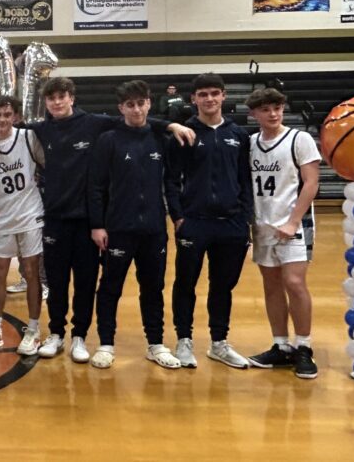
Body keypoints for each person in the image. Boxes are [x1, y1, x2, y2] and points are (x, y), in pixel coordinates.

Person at [26, 77, 194, 363]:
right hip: (78, 221)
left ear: (71, 98)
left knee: (126, 286)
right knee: (70, 283)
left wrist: (170, 124)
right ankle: (76, 338)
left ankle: (136, 342)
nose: (136, 109)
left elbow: (144, 128)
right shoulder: (46, 129)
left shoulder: (101, 125)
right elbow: (6, 129)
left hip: (135, 227)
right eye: (51, 98)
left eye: (62, 96)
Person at [88, 81, 180, 370]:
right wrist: (98, 225)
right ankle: (106, 344)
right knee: (110, 288)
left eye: (141, 103)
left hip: (154, 229)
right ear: (121, 108)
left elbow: (171, 182)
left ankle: (155, 344)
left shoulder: (160, 139)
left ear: (149, 103)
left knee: (153, 288)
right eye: (130, 104)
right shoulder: (109, 140)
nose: (137, 109)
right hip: (118, 228)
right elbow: (96, 186)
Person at [166, 73, 253, 369]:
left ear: (224, 96)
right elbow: (170, 180)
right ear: (194, 99)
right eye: (203, 94)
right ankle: (184, 340)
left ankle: (219, 343)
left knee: (222, 286)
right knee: (186, 282)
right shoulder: (184, 132)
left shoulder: (239, 135)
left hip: (231, 224)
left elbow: (245, 180)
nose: (209, 99)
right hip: (194, 222)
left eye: (215, 93)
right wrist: (178, 216)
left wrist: (245, 219)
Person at [244, 88, 320, 379]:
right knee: (271, 284)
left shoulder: (299, 139)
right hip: (262, 224)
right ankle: (281, 346)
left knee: (294, 282)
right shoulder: (250, 143)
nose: (273, 113)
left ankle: (304, 346)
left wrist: (293, 221)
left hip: (294, 224)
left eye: (277, 107)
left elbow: (311, 183)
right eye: (265, 109)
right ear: (254, 114)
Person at [0, 96, 44, 356]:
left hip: (30, 214)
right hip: (4, 216)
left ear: (15, 116)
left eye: (7, 114)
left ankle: (34, 328)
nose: (2, 119)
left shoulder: (28, 138)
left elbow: (46, 164)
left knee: (30, 272)